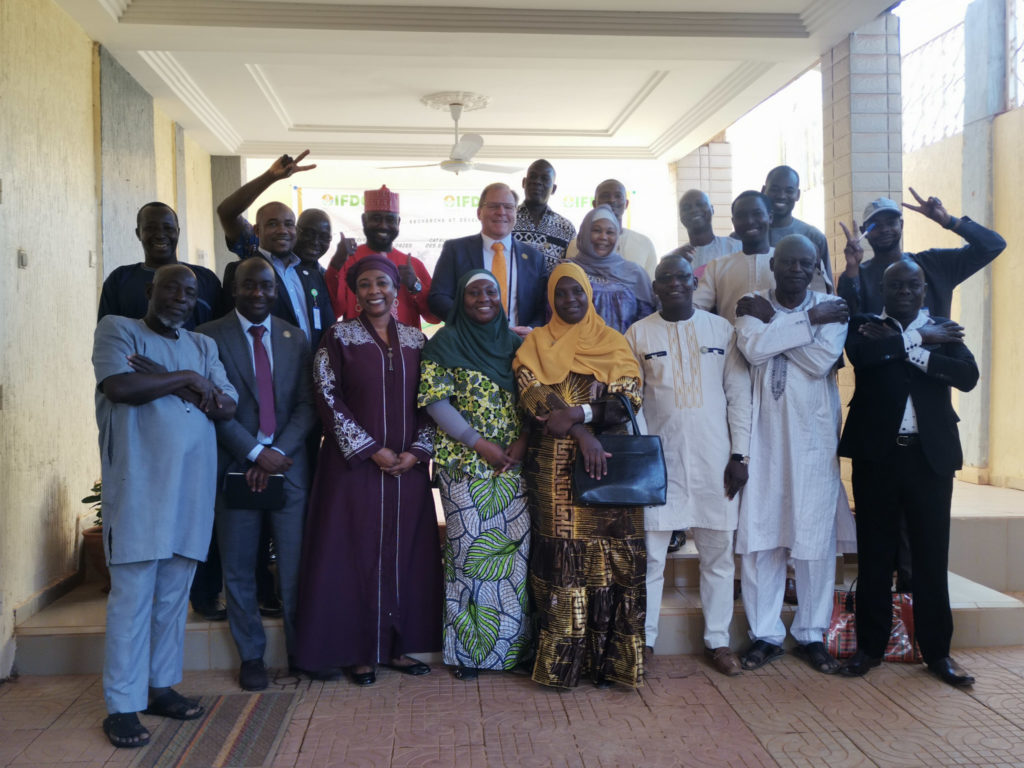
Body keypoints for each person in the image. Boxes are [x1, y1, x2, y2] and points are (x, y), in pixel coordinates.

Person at [93, 264, 237, 748]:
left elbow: (226, 406)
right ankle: (122, 706)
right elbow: (122, 388)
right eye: (171, 287)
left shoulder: (202, 345)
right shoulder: (118, 330)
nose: (181, 297)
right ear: (151, 291)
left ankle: (159, 687)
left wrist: (184, 378)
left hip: (189, 492)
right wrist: (190, 381)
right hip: (138, 490)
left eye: (190, 292)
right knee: (132, 598)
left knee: (175, 595)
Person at [294, 255, 442, 685]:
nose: (374, 290)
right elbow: (325, 394)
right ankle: (358, 652)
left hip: (407, 471)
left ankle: (396, 647)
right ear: (354, 292)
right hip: (353, 469)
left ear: (397, 289)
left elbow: (432, 400)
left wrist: (416, 451)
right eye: (364, 284)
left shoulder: (418, 340)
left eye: (383, 282)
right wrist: (371, 449)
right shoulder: (337, 338)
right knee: (352, 555)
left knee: (404, 555)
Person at [838, 259, 979, 687]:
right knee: (876, 555)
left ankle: (937, 653)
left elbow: (967, 376)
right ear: (882, 289)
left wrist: (909, 348)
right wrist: (919, 339)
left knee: (931, 558)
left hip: (929, 458)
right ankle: (870, 649)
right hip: (877, 458)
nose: (903, 291)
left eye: (912, 285)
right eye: (895, 285)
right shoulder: (864, 324)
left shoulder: (945, 328)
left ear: (923, 290)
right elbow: (864, 358)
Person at [514, 262, 645, 689]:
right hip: (553, 470)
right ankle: (561, 665)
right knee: (563, 562)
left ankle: (608, 664)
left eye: (578, 292)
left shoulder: (613, 342)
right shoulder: (536, 343)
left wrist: (582, 414)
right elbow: (535, 399)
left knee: (610, 562)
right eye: (561, 293)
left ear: (590, 294)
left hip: (609, 468)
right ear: (550, 299)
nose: (571, 300)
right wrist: (579, 432)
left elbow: (629, 399)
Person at [626, 254, 751, 676]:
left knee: (717, 559)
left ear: (693, 283)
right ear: (656, 287)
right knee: (652, 560)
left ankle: (718, 641)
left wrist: (740, 455)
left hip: (717, 462)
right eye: (667, 279)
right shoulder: (638, 334)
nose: (676, 284)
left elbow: (738, 395)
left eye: (683, 278)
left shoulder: (721, 330)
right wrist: (643, 454)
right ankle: (644, 642)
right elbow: (632, 402)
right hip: (661, 466)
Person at [732, 235, 853, 674]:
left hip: (813, 442)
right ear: (773, 266)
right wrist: (806, 321)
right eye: (788, 262)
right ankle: (765, 634)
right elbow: (753, 348)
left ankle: (811, 634)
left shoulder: (833, 307)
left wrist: (782, 325)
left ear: (816, 266)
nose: (797, 269)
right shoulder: (750, 302)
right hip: (762, 440)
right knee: (761, 539)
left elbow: (821, 361)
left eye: (806, 263)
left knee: (815, 540)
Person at [195, 258, 317, 692]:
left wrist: (277, 451)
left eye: (266, 285)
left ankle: (305, 651)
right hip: (237, 466)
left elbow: (306, 405)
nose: (259, 293)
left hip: (288, 467)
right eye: (250, 285)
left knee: (295, 564)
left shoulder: (294, 336)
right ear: (235, 289)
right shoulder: (208, 336)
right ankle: (251, 656)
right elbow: (210, 404)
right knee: (240, 566)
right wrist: (253, 452)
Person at [418, 270, 531, 680]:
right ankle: (468, 654)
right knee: (467, 557)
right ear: (460, 301)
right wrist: (480, 443)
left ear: (501, 299)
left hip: (514, 469)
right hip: (465, 465)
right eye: (473, 292)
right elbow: (435, 402)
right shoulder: (444, 342)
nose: (483, 298)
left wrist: (521, 443)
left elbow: (535, 397)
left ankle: (512, 651)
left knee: (512, 560)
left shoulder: (517, 345)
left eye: (491, 291)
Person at [217, 151, 335, 350]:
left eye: (289, 224)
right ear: (257, 230)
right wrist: (270, 177)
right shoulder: (247, 264)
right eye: (272, 224)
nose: (282, 230)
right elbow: (226, 212)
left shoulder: (314, 275)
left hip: (308, 375)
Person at [837, 188, 1006, 318]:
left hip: (936, 361)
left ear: (901, 225)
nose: (885, 230)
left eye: (891, 223)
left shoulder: (935, 264)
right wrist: (852, 268)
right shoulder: (858, 276)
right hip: (881, 362)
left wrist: (948, 221)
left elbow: (993, 245)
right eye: (876, 225)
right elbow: (851, 320)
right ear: (863, 230)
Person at [429, 183, 547, 337]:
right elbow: (438, 298)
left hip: (520, 347)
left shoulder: (534, 258)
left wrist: (532, 330)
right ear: (479, 213)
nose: (501, 212)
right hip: (470, 345)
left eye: (508, 207)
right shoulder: (455, 250)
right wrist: (469, 324)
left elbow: (543, 307)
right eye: (493, 206)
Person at [325, 185, 438, 328]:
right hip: (358, 348)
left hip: (405, 349)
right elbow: (334, 311)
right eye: (376, 219)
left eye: (390, 220)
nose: (383, 226)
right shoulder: (347, 261)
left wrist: (415, 286)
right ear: (364, 221)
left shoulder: (414, 265)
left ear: (398, 223)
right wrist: (336, 264)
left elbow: (434, 317)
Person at [98, 202, 222, 330]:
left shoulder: (206, 279)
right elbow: (107, 332)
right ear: (138, 233)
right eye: (150, 228)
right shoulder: (119, 279)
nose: (160, 235)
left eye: (168, 228)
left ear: (178, 232)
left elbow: (222, 332)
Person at [569, 204, 656, 333]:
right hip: (577, 350)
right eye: (596, 230)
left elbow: (648, 320)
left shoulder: (635, 273)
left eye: (610, 232)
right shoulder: (568, 271)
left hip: (626, 350)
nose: (603, 237)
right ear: (585, 232)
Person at [693, 191, 775, 325]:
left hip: (781, 343)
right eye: (741, 216)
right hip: (731, 343)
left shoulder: (788, 262)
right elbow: (696, 308)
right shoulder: (717, 266)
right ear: (733, 222)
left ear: (770, 217)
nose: (749, 221)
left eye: (757, 214)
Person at [564, 179, 658, 275]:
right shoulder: (578, 244)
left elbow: (649, 286)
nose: (612, 200)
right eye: (605, 196)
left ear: (626, 204)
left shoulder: (644, 243)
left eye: (618, 196)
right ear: (594, 204)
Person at [762, 165, 833, 288]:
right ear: (763, 191)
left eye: (789, 191)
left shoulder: (813, 237)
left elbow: (827, 289)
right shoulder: (743, 237)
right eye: (774, 189)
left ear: (798, 194)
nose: (781, 196)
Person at [512, 159, 577, 274]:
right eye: (533, 176)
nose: (537, 182)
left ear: (554, 189)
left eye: (545, 178)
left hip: (551, 292)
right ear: (524, 182)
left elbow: (572, 271)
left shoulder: (566, 228)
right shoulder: (507, 219)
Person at [668, 189, 741, 275]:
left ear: (712, 209)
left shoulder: (736, 248)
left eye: (700, 204)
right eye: (686, 208)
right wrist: (673, 263)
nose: (694, 210)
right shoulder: (673, 258)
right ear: (680, 217)